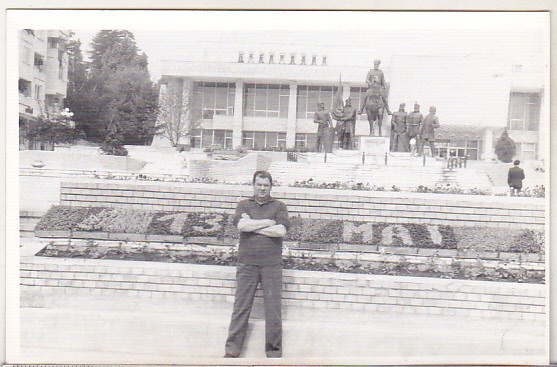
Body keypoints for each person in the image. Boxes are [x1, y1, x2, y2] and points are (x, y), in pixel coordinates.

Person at [224, 171, 290, 359]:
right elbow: (241, 227)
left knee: (273, 309)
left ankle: (274, 354)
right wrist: (267, 222)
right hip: (247, 264)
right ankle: (231, 353)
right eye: (259, 184)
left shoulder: (279, 206)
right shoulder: (243, 204)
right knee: (241, 308)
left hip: (272, 265)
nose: (262, 188)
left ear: (271, 186)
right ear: (253, 185)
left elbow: (280, 231)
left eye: (265, 185)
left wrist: (254, 224)